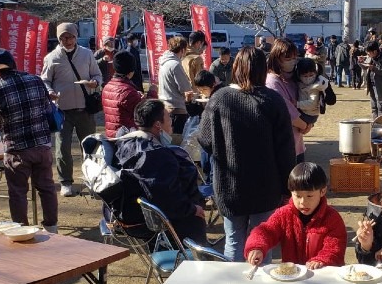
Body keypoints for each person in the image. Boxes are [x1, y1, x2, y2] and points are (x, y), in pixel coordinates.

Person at [198, 46, 296, 261]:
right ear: (263, 70)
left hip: (229, 185)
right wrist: (287, 187)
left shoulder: (219, 98)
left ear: (236, 67)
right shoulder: (272, 100)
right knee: (263, 242)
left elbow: (204, 140)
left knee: (234, 240)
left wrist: (226, 147)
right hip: (266, 186)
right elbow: (286, 150)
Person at [0, 48, 59, 233]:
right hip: (42, 145)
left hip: (16, 149)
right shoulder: (35, 80)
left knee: (17, 192)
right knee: (47, 187)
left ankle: (21, 230)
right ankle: (51, 227)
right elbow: (46, 109)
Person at [114, 99, 208, 244]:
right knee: (196, 220)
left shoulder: (126, 142)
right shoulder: (155, 155)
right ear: (158, 125)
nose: (171, 121)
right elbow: (166, 196)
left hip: (129, 214)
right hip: (154, 221)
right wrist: (192, 209)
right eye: (168, 117)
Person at [41, 22, 102, 197]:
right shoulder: (51, 57)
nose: (67, 40)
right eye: (63, 37)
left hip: (85, 109)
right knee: (63, 148)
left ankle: (92, 180)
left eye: (70, 37)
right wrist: (50, 91)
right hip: (62, 110)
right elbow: (44, 80)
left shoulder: (87, 54)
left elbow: (97, 75)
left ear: (76, 37)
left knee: (90, 147)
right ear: (59, 39)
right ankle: (66, 182)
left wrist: (95, 83)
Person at [266, 38, 312, 163]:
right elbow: (287, 111)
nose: (292, 62)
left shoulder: (295, 78)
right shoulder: (272, 81)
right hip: (283, 146)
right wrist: (305, 125)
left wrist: (311, 121)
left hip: (298, 144)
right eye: (287, 59)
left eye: (294, 58)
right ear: (277, 59)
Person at [102, 50, 144, 138]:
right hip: (127, 137)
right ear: (131, 71)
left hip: (111, 135)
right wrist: (152, 94)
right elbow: (144, 113)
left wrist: (137, 95)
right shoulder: (128, 91)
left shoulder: (107, 87)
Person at [158, 36, 193, 135]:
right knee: (177, 141)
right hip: (177, 109)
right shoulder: (175, 64)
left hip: (165, 106)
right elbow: (186, 89)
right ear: (182, 50)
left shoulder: (163, 62)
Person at [295, 57, 330, 125]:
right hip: (305, 112)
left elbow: (312, 104)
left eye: (311, 75)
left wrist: (296, 104)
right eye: (305, 76)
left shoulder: (315, 86)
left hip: (309, 115)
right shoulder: (300, 82)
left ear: (315, 73)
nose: (308, 78)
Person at [362, 39, 382, 118]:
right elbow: (366, 67)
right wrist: (360, 63)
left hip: (380, 86)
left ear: (374, 51)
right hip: (371, 84)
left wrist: (374, 68)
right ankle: (374, 124)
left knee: (380, 107)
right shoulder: (371, 57)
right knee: (374, 107)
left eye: (368, 52)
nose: (367, 54)